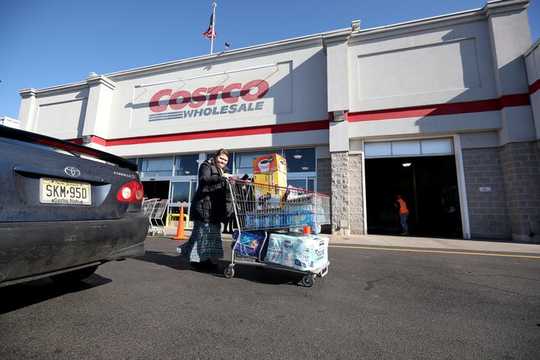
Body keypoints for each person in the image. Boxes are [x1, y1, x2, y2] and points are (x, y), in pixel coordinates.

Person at [178, 149, 232, 271]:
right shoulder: (206, 166)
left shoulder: (225, 171)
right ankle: (198, 262)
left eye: (225, 160)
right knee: (201, 235)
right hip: (203, 206)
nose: (223, 161)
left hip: (215, 209)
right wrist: (221, 178)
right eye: (221, 158)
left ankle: (207, 260)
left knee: (211, 236)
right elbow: (204, 180)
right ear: (216, 157)